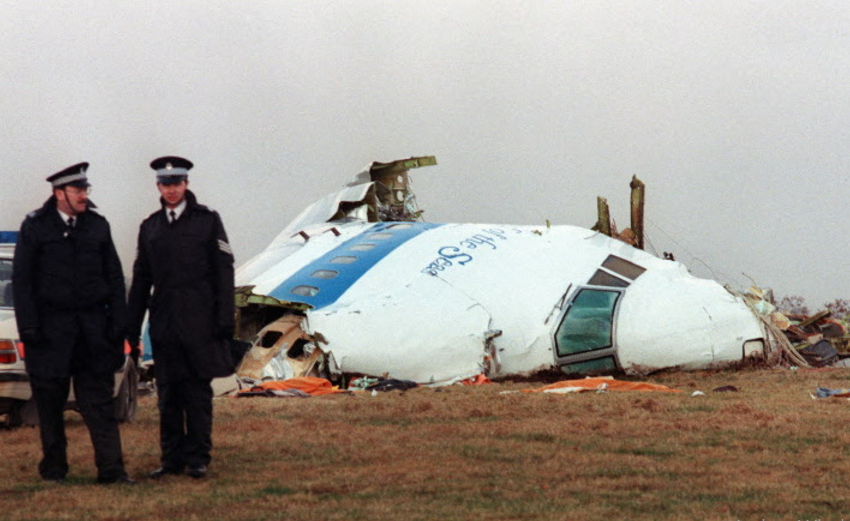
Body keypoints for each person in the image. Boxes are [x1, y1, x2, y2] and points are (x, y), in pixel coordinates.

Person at [12, 163, 134, 485]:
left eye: (85, 190)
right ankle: (54, 470)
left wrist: (117, 324)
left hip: (93, 332)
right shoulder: (36, 227)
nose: (84, 196)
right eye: (78, 190)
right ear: (59, 193)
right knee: (50, 406)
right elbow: (22, 282)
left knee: (99, 404)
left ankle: (112, 471)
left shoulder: (97, 226)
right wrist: (30, 328)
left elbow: (113, 277)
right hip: (50, 333)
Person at [127, 156, 234, 479]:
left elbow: (224, 272)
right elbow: (141, 278)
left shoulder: (207, 221)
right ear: (158, 186)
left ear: (186, 184)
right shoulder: (150, 227)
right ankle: (172, 459)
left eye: (176, 183)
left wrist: (224, 319)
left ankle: (199, 458)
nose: (171, 189)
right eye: (165, 184)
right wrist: (131, 330)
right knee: (169, 394)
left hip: (201, 323)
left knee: (197, 394)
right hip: (165, 325)